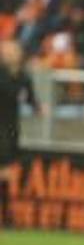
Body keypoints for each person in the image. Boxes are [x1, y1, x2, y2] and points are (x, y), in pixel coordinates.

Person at [0, 40, 38, 226]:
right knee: (4, 171)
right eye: (7, 51)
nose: (10, 54)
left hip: (12, 127)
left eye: (13, 51)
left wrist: (38, 108)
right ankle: (7, 216)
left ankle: (6, 215)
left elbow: (31, 98)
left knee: (7, 171)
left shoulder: (23, 76)